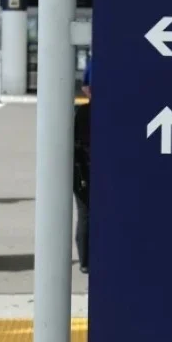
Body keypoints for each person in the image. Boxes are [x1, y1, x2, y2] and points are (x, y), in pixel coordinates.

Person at [73, 99, 90, 273]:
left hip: (80, 171)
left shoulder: (81, 112)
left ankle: (85, 261)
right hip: (93, 170)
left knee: (84, 214)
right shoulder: (111, 111)